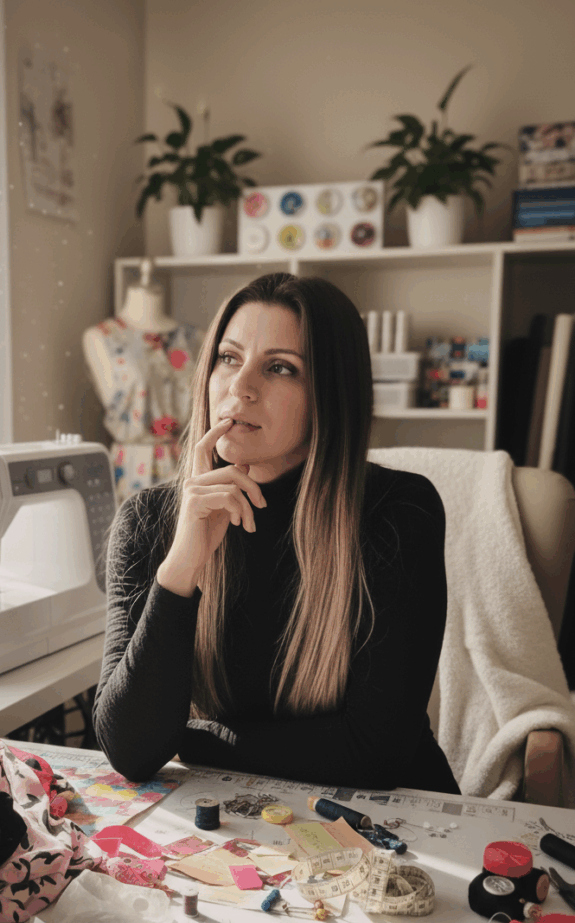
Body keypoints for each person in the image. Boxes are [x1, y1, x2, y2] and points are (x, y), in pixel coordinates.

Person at [92, 272, 460, 795]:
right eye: (228, 358)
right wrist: (182, 566)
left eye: (281, 368)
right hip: (248, 825)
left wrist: (192, 738)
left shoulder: (398, 513)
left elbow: (376, 753)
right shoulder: (148, 522)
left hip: (395, 820)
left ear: (330, 394)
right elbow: (130, 749)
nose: (241, 387)